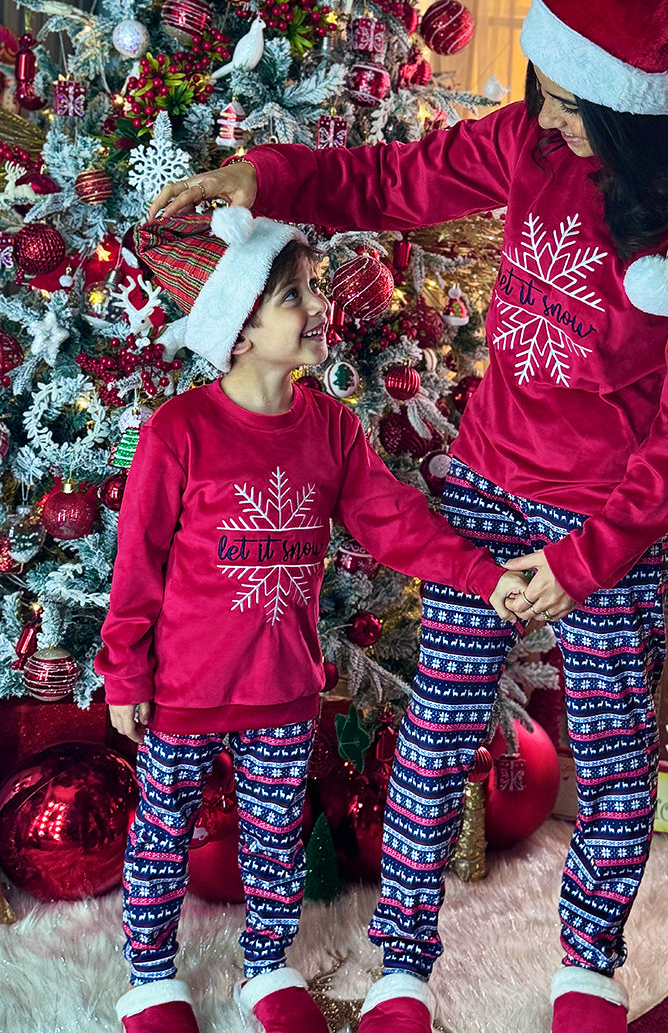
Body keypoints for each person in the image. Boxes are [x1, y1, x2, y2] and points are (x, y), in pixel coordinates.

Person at [149, 0, 668, 1033]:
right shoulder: (526, 146)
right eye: (545, 93)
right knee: (434, 737)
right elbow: (395, 178)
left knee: (618, 761)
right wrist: (269, 171)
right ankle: (402, 966)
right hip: (485, 485)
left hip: (608, 523)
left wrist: (583, 561)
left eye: (577, 108)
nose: (547, 120)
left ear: (644, 115)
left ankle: (588, 964)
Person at [95, 206, 528, 1033]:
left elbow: (392, 521)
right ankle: (149, 980)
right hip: (185, 689)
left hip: (283, 686)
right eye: (295, 294)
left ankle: (266, 968)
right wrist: (126, 671)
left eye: (317, 287)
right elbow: (138, 563)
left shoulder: (330, 426)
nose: (320, 305)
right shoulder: (177, 431)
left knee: (273, 838)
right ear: (240, 327)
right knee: (161, 836)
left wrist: (481, 576)